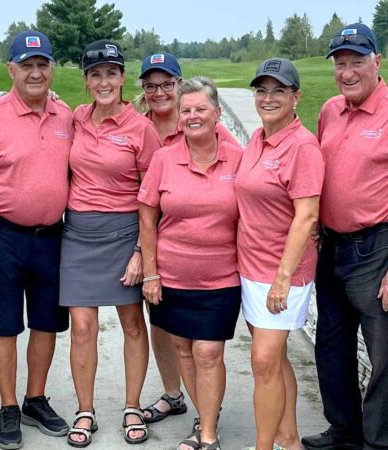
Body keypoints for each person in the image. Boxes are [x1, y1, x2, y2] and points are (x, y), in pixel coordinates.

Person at [301, 24, 388, 450]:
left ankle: (380, 442)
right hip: (332, 246)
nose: (348, 71)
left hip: (377, 248)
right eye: (341, 63)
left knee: (384, 358)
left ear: (377, 61)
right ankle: (345, 431)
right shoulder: (330, 111)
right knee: (331, 347)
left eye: (357, 61)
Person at [0, 30, 72, 450]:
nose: (36, 73)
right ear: (11, 70)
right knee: (4, 326)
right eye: (27, 65)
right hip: (1, 235)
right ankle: (8, 407)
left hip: (52, 236)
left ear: (52, 69)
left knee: (46, 323)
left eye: (43, 65)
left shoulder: (65, 116)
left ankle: (34, 399)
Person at [60, 39, 161, 448]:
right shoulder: (76, 119)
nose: (104, 81)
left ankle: (132, 406)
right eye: (95, 74)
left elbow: (152, 196)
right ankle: (86, 410)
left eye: (112, 73)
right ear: (86, 81)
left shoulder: (142, 129)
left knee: (133, 324)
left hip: (124, 234)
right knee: (82, 327)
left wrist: (141, 250)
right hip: (78, 234)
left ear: (123, 78)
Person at [139, 76, 244, 450]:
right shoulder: (164, 159)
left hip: (221, 278)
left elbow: (262, 209)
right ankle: (204, 419)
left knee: (208, 352)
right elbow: (147, 218)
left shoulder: (239, 160)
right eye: (186, 111)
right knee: (183, 349)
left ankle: (209, 435)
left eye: (201, 109)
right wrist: (150, 273)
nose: (193, 116)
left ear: (217, 114)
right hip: (171, 276)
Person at [235, 58, 324, 450]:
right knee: (276, 359)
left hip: (282, 272)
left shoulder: (302, 146)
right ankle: (289, 440)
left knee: (263, 362)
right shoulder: (257, 139)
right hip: (250, 266)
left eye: (278, 90)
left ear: (296, 97)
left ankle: (264, 446)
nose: (268, 98)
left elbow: (306, 216)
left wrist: (282, 279)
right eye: (261, 90)